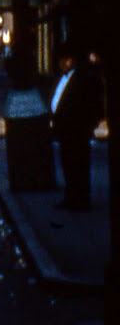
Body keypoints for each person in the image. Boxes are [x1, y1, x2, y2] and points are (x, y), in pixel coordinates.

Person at [50, 44, 103, 210]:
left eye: (64, 60)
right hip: (65, 129)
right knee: (68, 165)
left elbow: (93, 104)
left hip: (77, 129)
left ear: (71, 61)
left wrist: (89, 125)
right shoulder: (63, 78)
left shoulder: (83, 79)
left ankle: (80, 199)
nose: (62, 64)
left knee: (78, 165)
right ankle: (71, 197)